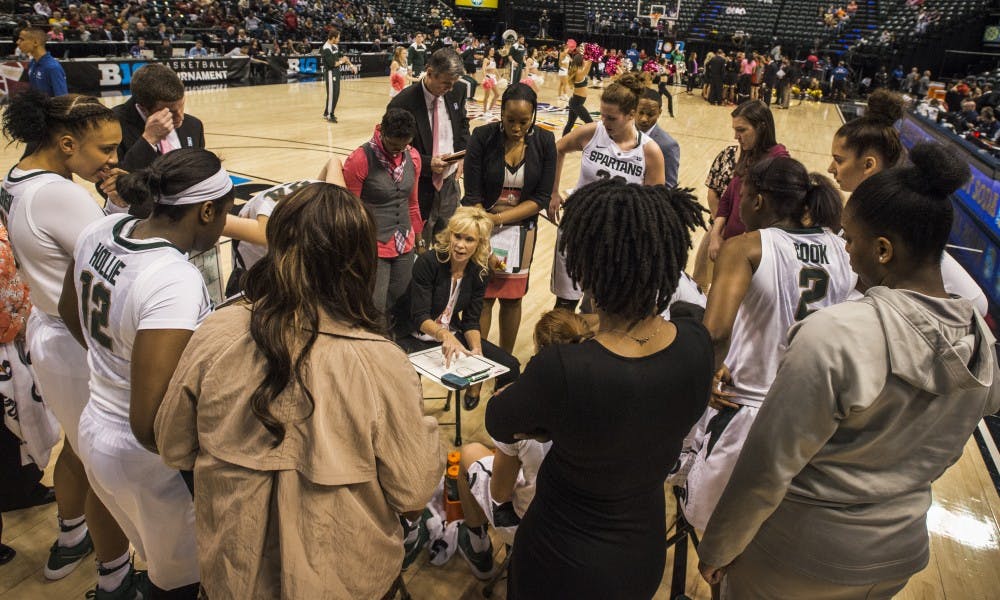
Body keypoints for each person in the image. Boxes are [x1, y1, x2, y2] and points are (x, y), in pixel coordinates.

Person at [697, 143, 1000, 600]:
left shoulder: (833, 334)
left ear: (882, 249)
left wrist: (718, 545)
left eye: (851, 239)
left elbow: (767, 468)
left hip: (803, 551)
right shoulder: (980, 339)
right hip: (900, 551)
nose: (844, 249)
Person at [155, 182, 442, 599]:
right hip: (348, 580)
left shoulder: (217, 331)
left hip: (233, 579)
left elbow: (172, 446)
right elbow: (413, 492)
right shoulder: (382, 362)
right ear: (359, 263)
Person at [486, 179, 713, 599]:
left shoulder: (565, 368)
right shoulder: (697, 343)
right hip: (640, 553)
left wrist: (544, 427)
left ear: (588, 268)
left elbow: (498, 418)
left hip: (561, 557)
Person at [58, 149, 235, 599]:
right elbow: (148, 420)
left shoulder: (103, 227)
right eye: (225, 213)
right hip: (144, 455)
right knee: (181, 581)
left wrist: (112, 362)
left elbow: (67, 311)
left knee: (145, 550)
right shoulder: (172, 277)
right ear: (206, 210)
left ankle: (115, 585)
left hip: (95, 421)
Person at [1, 90, 141, 597]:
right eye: (105, 149)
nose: (112, 160)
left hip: (49, 332)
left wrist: (110, 201)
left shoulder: (18, 177)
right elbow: (113, 261)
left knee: (78, 451)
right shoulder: (58, 193)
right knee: (104, 463)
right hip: (75, 336)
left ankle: (71, 533)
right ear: (65, 144)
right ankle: (116, 575)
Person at [679, 156, 857, 536]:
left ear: (758, 201)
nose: (738, 204)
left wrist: (705, 374)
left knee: (716, 534)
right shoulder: (842, 248)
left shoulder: (746, 247)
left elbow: (714, 332)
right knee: (772, 534)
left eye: (742, 195)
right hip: (814, 413)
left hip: (747, 407)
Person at [454, 308, 590, 578]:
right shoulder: (604, 400)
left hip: (535, 524)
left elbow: (500, 493)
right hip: (586, 526)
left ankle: (479, 548)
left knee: (467, 454)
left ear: (538, 349)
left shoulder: (516, 407)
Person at [828, 89, 988, 315]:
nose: (830, 168)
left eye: (838, 160)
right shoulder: (866, 209)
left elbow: (977, 302)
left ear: (869, 165)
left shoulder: (905, 214)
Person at [549, 73, 667, 310]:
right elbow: (557, 149)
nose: (605, 121)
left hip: (615, 236)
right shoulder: (593, 132)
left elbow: (655, 206)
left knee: (603, 307)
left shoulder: (650, 152)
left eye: (611, 118)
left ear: (631, 115)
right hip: (577, 228)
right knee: (564, 304)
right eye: (602, 115)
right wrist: (553, 193)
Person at [392, 207, 520, 411]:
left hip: (450, 333)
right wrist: (444, 336)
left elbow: (471, 320)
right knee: (409, 390)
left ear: (480, 244)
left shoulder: (480, 272)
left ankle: (502, 428)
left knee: (511, 366)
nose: (460, 245)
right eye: (457, 237)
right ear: (449, 235)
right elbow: (419, 316)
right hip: (412, 335)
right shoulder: (429, 262)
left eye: (469, 240)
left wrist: (476, 350)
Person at [462, 83, 556, 354]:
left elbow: (540, 198)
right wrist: (485, 226)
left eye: (524, 122)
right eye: (510, 120)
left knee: (513, 299)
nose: (517, 127)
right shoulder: (481, 136)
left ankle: (504, 363)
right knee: (483, 298)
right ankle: (477, 363)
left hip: (521, 229)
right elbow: (472, 194)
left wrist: (499, 219)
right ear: (501, 113)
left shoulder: (545, 142)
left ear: (534, 117)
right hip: (481, 225)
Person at [224, 157, 346, 296]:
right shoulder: (265, 231)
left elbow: (333, 161)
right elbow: (217, 222)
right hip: (253, 274)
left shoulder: (337, 194)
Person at [388, 48, 470, 247]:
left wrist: (462, 155)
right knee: (419, 247)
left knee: (448, 242)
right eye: (445, 83)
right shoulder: (402, 103)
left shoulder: (457, 91)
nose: (450, 89)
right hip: (418, 187)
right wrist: (426, 163)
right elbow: (393, 149)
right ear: (429, 72)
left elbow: (462, 125)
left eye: (453, 84)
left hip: (450, 183)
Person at [343, 109, 422, 313]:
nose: (398, 150)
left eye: (404, 145)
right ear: (382, 133)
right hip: (373, 243)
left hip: (404, 240)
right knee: (375, 304)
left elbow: (412, 202)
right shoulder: (359, 159)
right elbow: (351, 211)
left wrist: (419, 236)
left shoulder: (413, 157)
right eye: (394, 145)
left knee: (401, 299)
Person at [708, 101, 788, 260]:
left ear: (761, 127)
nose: (735, 136)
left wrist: (741, 247)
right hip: (729, 244)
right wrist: (715, 234)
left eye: (741, 130)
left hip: (751, 255)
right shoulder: (748, 154)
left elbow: (775, 219)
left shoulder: (779, 162)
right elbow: (727, 198)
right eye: (735, 130)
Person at [112, 63, 205, 188]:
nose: (180, 117)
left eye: (182, 104)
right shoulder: (111, 124)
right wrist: (147, 141)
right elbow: (110, 187)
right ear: (143, 108)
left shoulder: (194, 125)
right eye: (170, 112)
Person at [636, 89, 681, 188]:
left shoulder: (668, 145)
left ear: (659, 112)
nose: (644, 119)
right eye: (641, 112)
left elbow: (669, 186)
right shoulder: (621, 132)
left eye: (650, 114)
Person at [17, 27, 67, 97]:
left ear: (35, 42)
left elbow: (63, 101)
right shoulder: (32, 63)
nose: (18, 42)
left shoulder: (53, 68)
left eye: (22, 39)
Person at [321, 29, 356, 123]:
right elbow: (333, 64)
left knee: (335, 94)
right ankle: (329, 115)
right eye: (338, 38)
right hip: (330, 73)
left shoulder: (335, 46)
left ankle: (327, 112)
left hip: (336, 72)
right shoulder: (326, 48)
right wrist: (342, 61)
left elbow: (343, 57)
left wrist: (351, 65)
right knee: (332, 95)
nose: (339, 39)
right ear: (333, 38)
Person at [561, 53, 594, 136]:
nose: (584, 60)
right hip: (577, 103)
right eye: (583, 59)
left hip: (575, 101)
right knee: (590, 123)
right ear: (580, 61)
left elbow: (587, 64)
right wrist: (592, 56)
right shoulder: (579, 72)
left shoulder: (578, 70)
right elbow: (587, 66)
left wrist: (589, 56)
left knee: (570, 124)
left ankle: (562, 141)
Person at [480, 47, 500, 113]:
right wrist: (485, 78)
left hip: (493, 78)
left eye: (493, 50)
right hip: (488, 78)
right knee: (487, 96)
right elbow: (483, 69)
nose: (493, 52)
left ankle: (490, 110)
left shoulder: (493, 59)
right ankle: (485, 111)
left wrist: (499, 76)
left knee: (497, 94)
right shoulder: (486, 59)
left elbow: (495, 68)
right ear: (488, 51)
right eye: (491, 50)